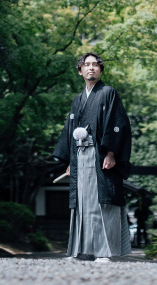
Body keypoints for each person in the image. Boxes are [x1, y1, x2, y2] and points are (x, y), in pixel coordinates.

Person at [53, 52, 132, 262]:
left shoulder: (108, 92)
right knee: (82, 202)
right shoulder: (77, 99)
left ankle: (104, 252)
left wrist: (112, 153)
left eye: (95, 65)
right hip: (80, 156)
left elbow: (118, 123)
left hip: (100, 155)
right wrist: (70, 160)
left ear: (100, 70)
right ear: (80, 71)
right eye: (86, 65)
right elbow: (69, 129)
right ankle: (83, 250)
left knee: (102, 201)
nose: (91, 68)